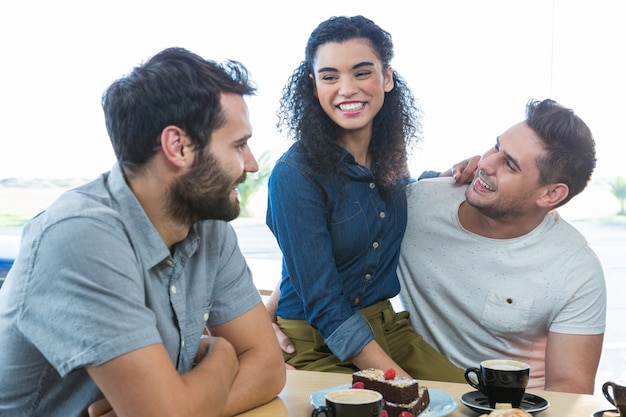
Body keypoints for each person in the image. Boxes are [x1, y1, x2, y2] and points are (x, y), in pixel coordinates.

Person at [0, 47, 286, 417]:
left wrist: (189, 403)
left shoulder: (208, 224)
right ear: (178, 146)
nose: (250, 164)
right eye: (238, 145)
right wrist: (224, 354)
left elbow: (268, 367)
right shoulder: (79, 237)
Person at [264, 15, 466, 382]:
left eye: (361, 72)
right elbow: (324, 304)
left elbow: (399, 196)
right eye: (329, 76)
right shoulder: (294, 174)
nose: (346, 89)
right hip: (317, 341)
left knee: (471, 402)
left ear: (386, 77)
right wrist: (402, 383)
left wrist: (448, 178)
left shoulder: (388, 156)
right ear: (313, 86)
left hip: (387, 330)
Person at [398, 98, 606, 394]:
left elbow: (569, 390)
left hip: (513, 407)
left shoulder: (576, 268)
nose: (485, 163)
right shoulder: (417, 206)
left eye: (509, 164)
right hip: (426, 397)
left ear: (551, 194)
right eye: (496, 147)